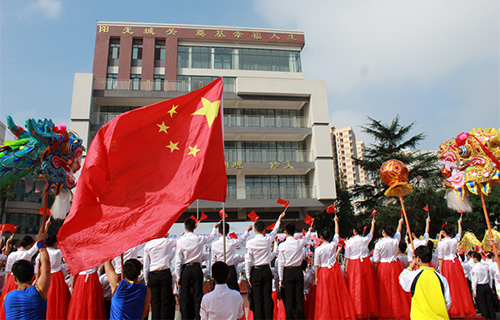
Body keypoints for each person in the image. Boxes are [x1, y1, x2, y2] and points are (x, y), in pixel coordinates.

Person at [175, 219, 219, 320]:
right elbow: (211, 237)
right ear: (195, 227)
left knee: (185, 296)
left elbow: (178, 260)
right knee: (198, 295)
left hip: (186, 268)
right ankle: (198, 317)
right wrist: (214, 228)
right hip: (196, 268)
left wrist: (178, 276)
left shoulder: (180, 241)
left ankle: (186, 317)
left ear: (185, 227)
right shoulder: (199, 238)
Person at [314, 216, 356, 320]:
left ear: (321, 237)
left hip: (323, 271)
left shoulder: (318, 250)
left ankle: (327, 315)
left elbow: (316, 265)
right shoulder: (333, 245)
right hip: (334, 270)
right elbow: (337, 234)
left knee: (326, 295)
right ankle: (338, 314)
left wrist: (316, 277)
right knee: (337, 294)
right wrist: (336, 222)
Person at [245, 212, 285, 320]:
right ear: (264, 230)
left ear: (254, 230)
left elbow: (248, 261)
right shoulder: (267, 240)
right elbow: (275, 231)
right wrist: (279, 219)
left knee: (257, 298)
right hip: (266, 270)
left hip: (255, 271)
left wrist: (248, 275)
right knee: (267, 298)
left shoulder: (250, 243)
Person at [4, 225, 49, 320]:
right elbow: (46, 267)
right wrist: (41, 241)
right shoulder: (38, 292)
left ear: (15, 278)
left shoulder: (6, 298)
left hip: (10, 283)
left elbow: (7, 271)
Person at [372, 218, 411, 320]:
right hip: (394, 266)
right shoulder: (395, 241)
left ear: (383, 231)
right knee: (396, 289)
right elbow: (398, 233)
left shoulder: (379, 244)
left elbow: (376, 260)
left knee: (384, 290)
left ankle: (386, 311)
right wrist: (400, 223)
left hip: (383, 267)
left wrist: (375, 271)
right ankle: (397, 310)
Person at [399, 246, 451, 320]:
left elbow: (402, 278)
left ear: (418, 259)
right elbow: (448, 301)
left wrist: (411, 265)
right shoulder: (441, 278)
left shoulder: (414, 276)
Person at [437, 218, 476, 318]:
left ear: (444, 232)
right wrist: (459, 223)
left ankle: (451, 309)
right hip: (455, 264)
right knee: (459, 285)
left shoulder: (441, 243)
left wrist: (440, 271)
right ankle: (462, 308)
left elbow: (440, 258)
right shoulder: (454, 240)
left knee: (449, 286)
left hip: (446, 264)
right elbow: (459, 233)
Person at [344, 218, 378, 319]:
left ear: (354, 231)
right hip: (365, 264)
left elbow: (347, 258)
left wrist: (346, 270)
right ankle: (367, 311)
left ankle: (357, 311)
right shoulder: (365, 239)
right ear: (362, 230)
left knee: (355, 288)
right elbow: (371, 234)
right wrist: (373, 224)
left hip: (354, 265)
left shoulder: (350, 242)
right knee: (367, 288)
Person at [277, 223, 311, 319]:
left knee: (289, 299)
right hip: (298, 271)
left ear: (285, 232)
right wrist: (309, 230)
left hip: (287, 271)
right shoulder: (299, 243)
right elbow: (306, 238)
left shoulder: (282, 245)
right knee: (299, 298)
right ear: (295, 232)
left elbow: (281, 263)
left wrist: (281, 278)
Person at [0, 235, 38, 319]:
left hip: (11, 279)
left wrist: (6, 285)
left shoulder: (12, 255)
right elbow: (37, 245)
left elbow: (7, 271)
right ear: (29, 245)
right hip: (23, 280)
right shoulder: (28, 254)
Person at [35, 234, 71, 319]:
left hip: (43, 275)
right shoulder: (57, 252)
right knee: (58, 298)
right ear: (55, 243)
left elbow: (37, 267)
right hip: (56, 276)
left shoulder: (41, 254)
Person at [143, 234, 177, 320]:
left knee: (155, 302)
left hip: (153, 274)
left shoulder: (148, 244)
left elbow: (146, 264)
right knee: (165, 302)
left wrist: (146, 279)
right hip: (164, 273)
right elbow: (178, 243)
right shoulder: (166, 242)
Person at [211, 222, 252, 291]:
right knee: (233, 290)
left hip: (219, 269)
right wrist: (247, 231)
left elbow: (212, 260)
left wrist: (212, 274)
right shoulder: (231, 242)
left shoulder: (214, 244)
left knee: (220, 290)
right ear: (228, 232)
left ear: (218, 231)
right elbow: (241, 240)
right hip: (230, 269)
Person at [470, 252, 496, 319]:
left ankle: (485, 317)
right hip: (486, 285)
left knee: (482, 304)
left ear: (475, 259)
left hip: (480, 286)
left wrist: (474, 291)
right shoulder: (485, 266)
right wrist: (491, 286)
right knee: (489, 302)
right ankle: (492, 316)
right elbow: (489, 277)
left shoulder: (474, 268)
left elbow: (474, 280)